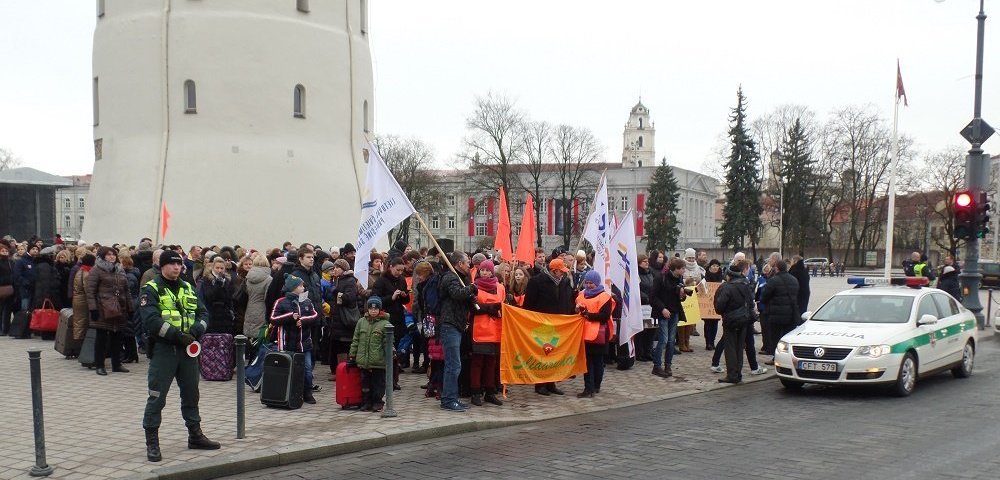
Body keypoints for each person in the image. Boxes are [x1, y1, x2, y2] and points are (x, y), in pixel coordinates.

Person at [139, 250, 220, 462]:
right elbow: (151, 321)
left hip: (187, 351)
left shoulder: (188, 287)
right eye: (172, 264)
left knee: (191, 393)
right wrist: (177, 336)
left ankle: (195, 435)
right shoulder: (151, 289)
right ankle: (152, 442)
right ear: (162, 266)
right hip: (164, 350)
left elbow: (203, 314)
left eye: (179, 264)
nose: (177, 268)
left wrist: (194, 332)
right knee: (157, 396)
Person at [523, 258, 575, 395]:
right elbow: (528, 304)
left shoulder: (564, 282)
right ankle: (540, 384)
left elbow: (568, 301)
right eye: (561, 271)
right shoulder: (536, 281)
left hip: (559, 324)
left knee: (554, 355)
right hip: (542, 324)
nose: (563, 274)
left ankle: (551, 382)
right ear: (554, 270)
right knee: (542, 355)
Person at [270, 274, 319, 404]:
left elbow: (314, 316)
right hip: (287, 343)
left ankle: (307, 392)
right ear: (292, 288)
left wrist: (302, 320)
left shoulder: (307, 301)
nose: (303, 288)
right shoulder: (280, 302)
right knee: (289, 369)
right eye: (300, 285)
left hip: (304, 343)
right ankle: (289, 392)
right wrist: (290, 317)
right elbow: (273, 319)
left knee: (307, 369)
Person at [437, 252, 478, 412]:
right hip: (450, 324)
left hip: (457, 324)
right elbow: (456, 294)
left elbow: (462, 297)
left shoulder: (460, 278)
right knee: (453, 365)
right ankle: (448, 399)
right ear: (459, 264)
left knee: (454, 364)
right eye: (467, 262)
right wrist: (471, 289)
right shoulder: (450, 277)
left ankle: (451, 397)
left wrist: (471, 297)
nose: (469, 265)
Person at [87, 247, 133, 376]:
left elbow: (126, 290)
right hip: (103, 308)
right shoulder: (96, 270)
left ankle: (116, 364)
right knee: (101, 339)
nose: (112, 257)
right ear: (102, 256)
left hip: (119, 308)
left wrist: (130, 307)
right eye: (108, 255)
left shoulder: (119, 269)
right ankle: (100, 365)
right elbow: (90, 291)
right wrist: (93, 308)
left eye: (113, 254)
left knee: (117, 338)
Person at [469, 260, 504, 407]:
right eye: (482, 270)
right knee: (477, 363)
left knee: (491, 362)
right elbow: (474, 308)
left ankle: (490, 392)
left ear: (492, 272)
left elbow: (503, 306)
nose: (484, 272)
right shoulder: (474, 287)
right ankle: (475, 393)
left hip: (495, 330)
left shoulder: (500, 287)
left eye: (487, 270)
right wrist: (491, 308)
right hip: (479, 330)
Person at [714, 259, 755, 384]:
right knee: (739, 347)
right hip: (744, 319)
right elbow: (751, 303)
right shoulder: (746, 284)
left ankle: (732, 375)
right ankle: (738, 374)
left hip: (730, 320)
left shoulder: (726, 287)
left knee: (730, 347)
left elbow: (719, 307)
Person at [575, 270, 614, 398]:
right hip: (585, 333)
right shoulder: (581, 295)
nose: (588, 285)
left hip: (599, 334)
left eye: (591, 283)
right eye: (586, 282)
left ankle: (595, 386)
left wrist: (588, 315)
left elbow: (604, 316)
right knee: (589, 362)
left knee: (597, 362)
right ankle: (589, 388)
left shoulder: (604, 297)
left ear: (597, 283)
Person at [349, 296, 390, 412]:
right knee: (365, 384)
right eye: (371, 309)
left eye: (376, 309)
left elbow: (388, 342)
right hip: (363, 361)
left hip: (378, 361)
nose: (373, 311)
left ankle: (377, 402)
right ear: (367, 309)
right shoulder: (361, 322)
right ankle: (366, 402)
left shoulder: (385, 324)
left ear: (380, 310)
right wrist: (352, 354)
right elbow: (356, 339)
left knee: (378, 384)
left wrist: (390, 354)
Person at [648, 257, 687, 378]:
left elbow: (680, 298)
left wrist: (682, 295)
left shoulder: (679, 279)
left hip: (674, 312)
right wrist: (662, 308)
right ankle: (657, 366)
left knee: (671, 341)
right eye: (683, 268)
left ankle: (668, 365)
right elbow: (652, 297)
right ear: (676, 269)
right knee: (663, 340)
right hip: (663, 312)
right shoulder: (661, 278)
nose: (684, 271)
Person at [761, 257, 799, 364]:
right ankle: (787, 359)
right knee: (787, 338)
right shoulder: (794, 280)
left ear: (776, 268)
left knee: (775, 337)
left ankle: (776, 358)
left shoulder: (773, 280)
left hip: (776, 314)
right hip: (790, 313)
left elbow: (764, 297)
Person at [199, 256, 237, 335]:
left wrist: (231, 312)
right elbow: (209, 296)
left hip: (225, 316)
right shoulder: (206, 280)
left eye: (221, 268)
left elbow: (230, 298)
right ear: (213, 268)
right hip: (211, 314)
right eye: (217, 268)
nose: (219, 270)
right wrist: (217, 284)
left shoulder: (227, 280)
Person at [243, 252, 274, 340]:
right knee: (260, 337)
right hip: (262, 309)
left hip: (249, 307)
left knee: (249, 335)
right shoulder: (268, 279)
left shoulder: (248, 277)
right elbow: (267, 298)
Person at [0, 243, 15, 335]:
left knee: (8, 310)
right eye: (2, 251)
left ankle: (6, 328)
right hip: (1, 287)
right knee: (0, 309)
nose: (5, 252)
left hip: (10, 288)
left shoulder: (11, 262)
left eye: (6, 251)